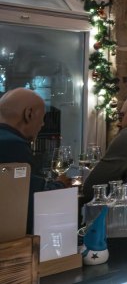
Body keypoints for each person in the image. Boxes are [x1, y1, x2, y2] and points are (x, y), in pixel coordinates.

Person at [0, 88, 70, 233]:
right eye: (42, 117)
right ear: (29, 114)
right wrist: (61, 184)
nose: (43, 124)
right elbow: (33, 201)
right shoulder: (13, 145)